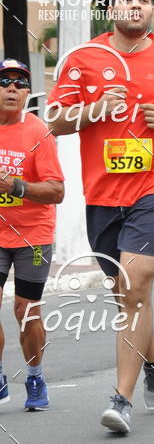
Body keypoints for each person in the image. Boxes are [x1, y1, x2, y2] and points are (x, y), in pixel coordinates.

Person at [48, 0, 154, 435]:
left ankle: (120, 400)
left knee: (133, 283)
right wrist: (95, 107)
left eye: (143, 1)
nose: (135, 7)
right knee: (126, 294)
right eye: (127, 0)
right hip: (103, 194)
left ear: (152, 11)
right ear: (112, 9)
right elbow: (57, 122)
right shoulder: (85, 60)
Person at [0, 59, 64, 410]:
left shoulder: (38, 132)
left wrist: (16, 186)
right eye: (4, 81)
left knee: (26, 311)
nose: (12, 87)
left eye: (20, 83)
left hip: (32, 236)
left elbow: (57, 191)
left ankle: (35, 375)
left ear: (27, 93)